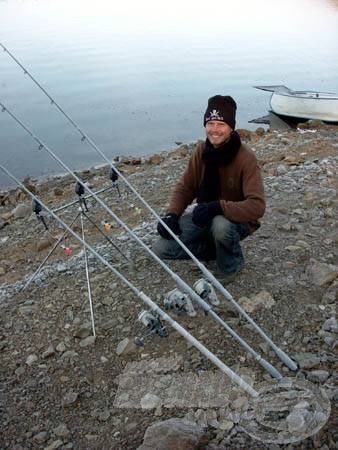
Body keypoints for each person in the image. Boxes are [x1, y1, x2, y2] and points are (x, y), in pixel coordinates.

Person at [153, 95, 265, 283]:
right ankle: (216, 250)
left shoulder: (246, 158)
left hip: (235, 220)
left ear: (231, 127)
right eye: (210, 123)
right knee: (161, 249)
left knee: (220, 226)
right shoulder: (201, 151)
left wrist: (218, 207)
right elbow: (185, 187)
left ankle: (231, 265)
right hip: (204, 216)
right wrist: (172, 214)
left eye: (221, 124)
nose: (214, 130)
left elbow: (257, 207)